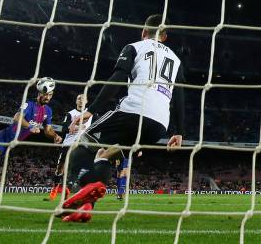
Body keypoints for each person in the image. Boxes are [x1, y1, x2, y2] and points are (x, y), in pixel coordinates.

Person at [55, 14, 185, 222]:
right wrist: (179, 132)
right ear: (165, 36)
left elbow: (117, 78)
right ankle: (86, 206)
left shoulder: (134, 47)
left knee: (81, 145)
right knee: (106, 154)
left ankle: (79, 192)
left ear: (144, 32)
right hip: (159, 125)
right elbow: (179, 96)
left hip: (132, 113)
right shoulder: (176, 60)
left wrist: (92, 109)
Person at [45, 94, 91, 201]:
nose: (81, 100)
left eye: (83, 99)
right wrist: (77, 126)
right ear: (76, 101)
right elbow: (65, 128)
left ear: (87, 101)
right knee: (60, 169)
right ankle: (54, 192)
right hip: (68, 144)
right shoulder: (70, 114)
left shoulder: (91, 114)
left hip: (82, 145)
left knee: (73, 170)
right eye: (79, 98)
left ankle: (67, 194)